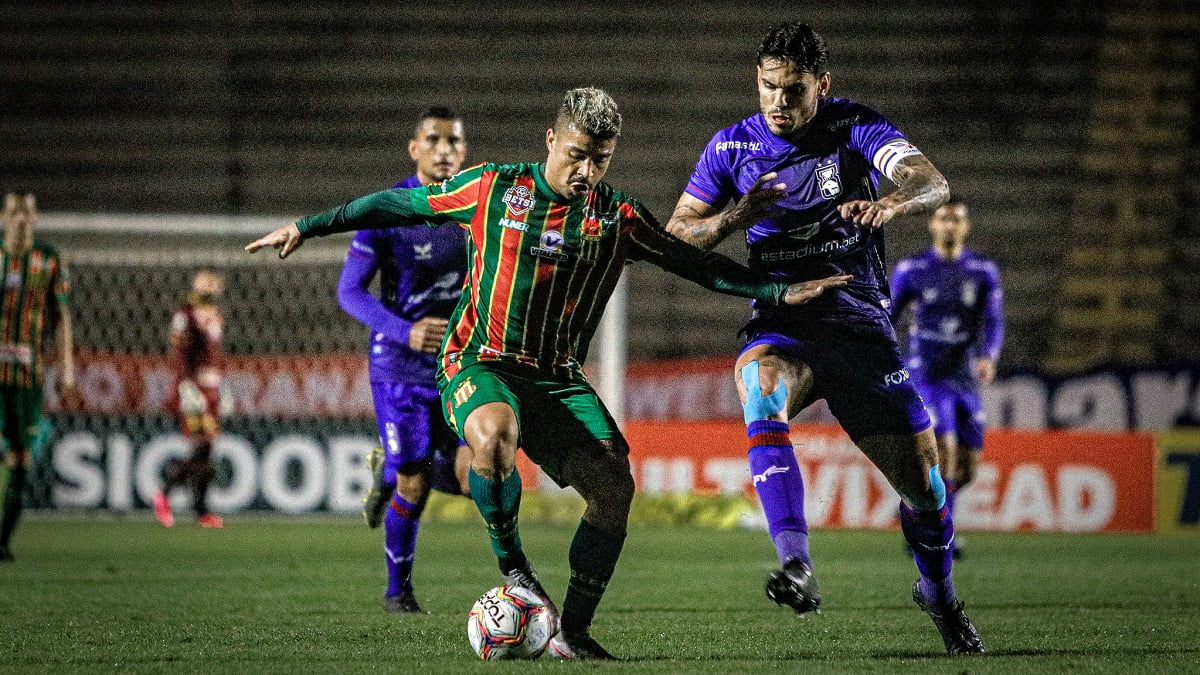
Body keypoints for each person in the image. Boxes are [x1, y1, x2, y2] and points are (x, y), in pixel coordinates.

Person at [247, 87, 850, 660]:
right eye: (577, 155)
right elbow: (395, 205)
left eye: (600, 160)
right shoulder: (493, 187)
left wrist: (776, 290)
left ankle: (575, 633)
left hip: (557, 377)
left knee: (614, 489)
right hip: (478, 359)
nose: (586, 171)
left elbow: (694, 264)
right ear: (551, 140)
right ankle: (516, 570)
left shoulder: (618, 216)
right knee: (493, 434)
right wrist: (308, 225)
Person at [665, 22, 983, 654]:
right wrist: (737, 216)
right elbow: (676, 237)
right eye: (768, 87)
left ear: (823, 85)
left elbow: (932, 182)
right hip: (782, 318)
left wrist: (892, 205)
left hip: (857, 321)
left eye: (794, 90)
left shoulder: (855, 127)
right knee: (761, 387)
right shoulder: (730, 148)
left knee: (924, 486)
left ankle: (940, 595)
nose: (779, 102)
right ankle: (796, 563)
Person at [338, 106, 474, 614]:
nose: (444, 150)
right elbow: (350, 291)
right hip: (400, 365)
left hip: (460, 363)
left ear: (464, 151)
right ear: (414, 148)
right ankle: (398, 592)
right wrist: (405, 330)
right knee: (415, 483)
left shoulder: (477, 208)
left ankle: (393, 469)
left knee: (479, 475)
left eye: (453, 141)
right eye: (433, 139)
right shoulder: (389, 211)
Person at [890, 197, 1004, 560]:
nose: (949, 225)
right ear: (932, 225)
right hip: (925, 373)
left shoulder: (982, 271)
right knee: (944, 450)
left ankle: (918, 510)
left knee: (967, 468)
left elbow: (994, 320)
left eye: (956, 220)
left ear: (965, 227)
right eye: (943, 219)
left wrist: (988, 355)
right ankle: (939, 537)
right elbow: (887, 316)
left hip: (964, 377)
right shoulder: (912, 269)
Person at [0, 190, 74, 561]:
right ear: (3, 217)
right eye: (14, 212)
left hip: (28, 375)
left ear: (35, 217)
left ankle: (2, 541)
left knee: (21, 457)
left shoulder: (48, 259)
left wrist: (66, 365)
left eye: (27, 212)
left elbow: (61, 317)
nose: (21, 218)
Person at [153, 270, 226, 529]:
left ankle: (201, 510)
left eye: (215, 283)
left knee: (206, 450)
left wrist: (218, 384)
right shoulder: (185, 313)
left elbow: (214, 353)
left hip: (211, 388)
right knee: (201, 445)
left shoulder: (213, 313)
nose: (213, 286)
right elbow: (179, 352)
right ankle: (164, 494)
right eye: (208, 282)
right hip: (193, 388)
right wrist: (186, 385)